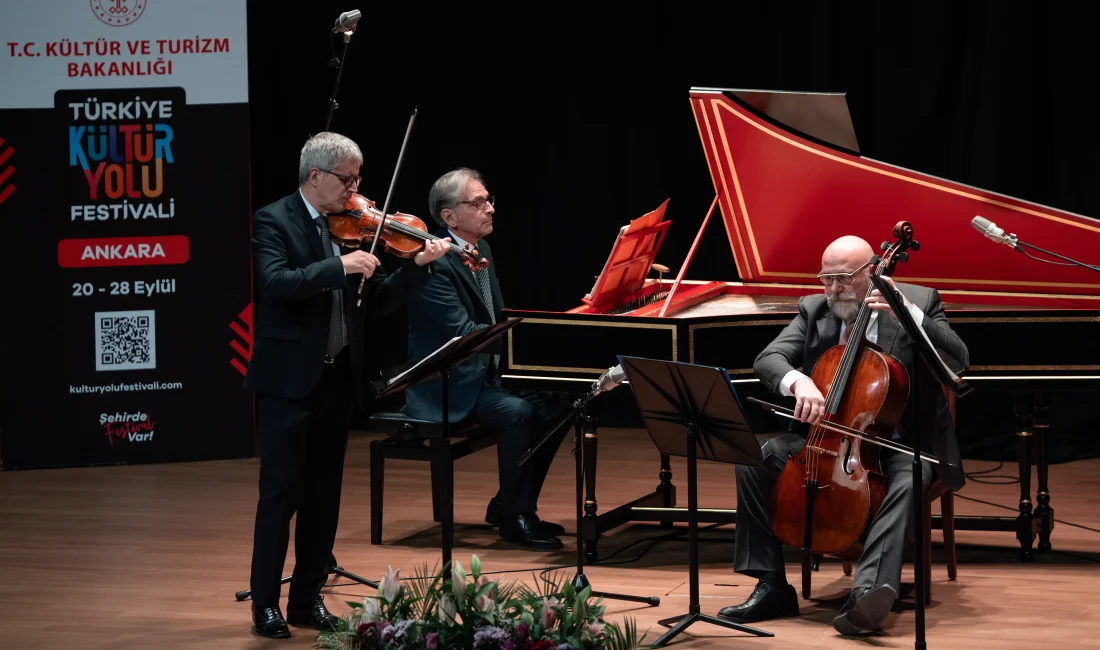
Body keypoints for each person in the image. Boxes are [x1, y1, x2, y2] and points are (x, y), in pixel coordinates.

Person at [243, 132, 449, 639]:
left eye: (358, 179)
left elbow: (374, 302)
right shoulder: (273, 220)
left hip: (335, 378)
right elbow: (275, 284)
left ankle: (306, 597)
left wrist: (417, 268)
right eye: (347, 179)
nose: (356, 191)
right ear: (315, 176)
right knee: (280, 495)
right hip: (287, 382)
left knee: (323, 496)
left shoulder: (350, 228)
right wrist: (337, 265)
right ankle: (265, 603)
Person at [717, 235, 969, 635]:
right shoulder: (814, 309)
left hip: (901, 441)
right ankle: (771, 585)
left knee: (907, 480)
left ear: (871, 271)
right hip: (829, 440)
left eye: (844, 278)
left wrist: (910, 317)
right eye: (826, 278)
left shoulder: (919, 301)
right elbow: (768, 359)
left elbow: (959, 358)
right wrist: (798, 383)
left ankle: (869, 590)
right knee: (757, 457)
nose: (833, 289)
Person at [403, 167, 571, 550]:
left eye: (489, 200)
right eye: (478, 203)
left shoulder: (482, 251)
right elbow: (464, 334)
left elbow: (495, 316)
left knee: (562, 401)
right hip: (449, 381)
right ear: (449, 217)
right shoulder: (432, 264)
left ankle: (506, 503)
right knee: (518, 412)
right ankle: (517, 518)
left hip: (487, 374)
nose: (490, 209)